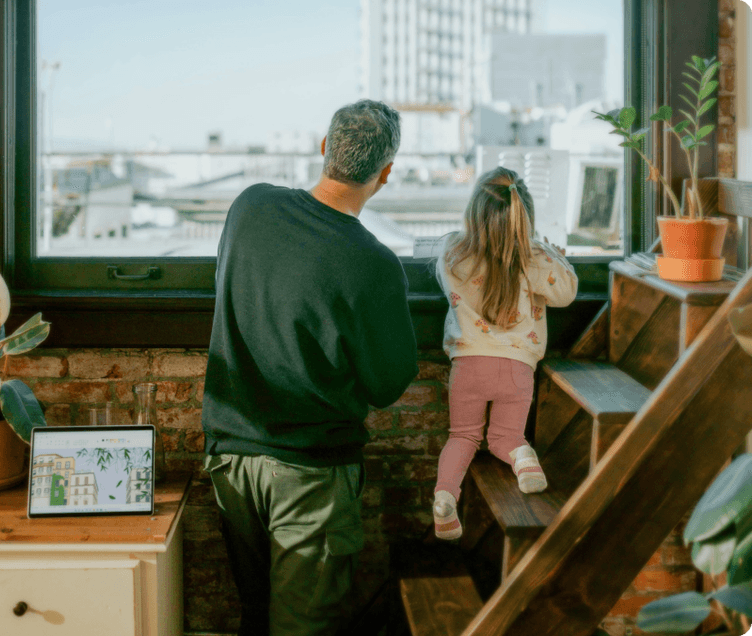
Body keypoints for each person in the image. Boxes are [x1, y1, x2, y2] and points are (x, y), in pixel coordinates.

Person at [201, 99, 419, 636]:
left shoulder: (249, 205)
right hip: (309, 475)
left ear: (325, 147)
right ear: (385, 173)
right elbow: (387, 384)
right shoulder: (373, 263)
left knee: (256, 616)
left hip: (231, 461)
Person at [432, 167, 577, 540]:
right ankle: (525, 461)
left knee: (462, 437)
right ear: (523, 214)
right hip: (517, 370)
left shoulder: (452, 251)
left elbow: (445, 278)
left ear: (474, 212)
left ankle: (445, 498)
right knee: (506, 437)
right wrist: (556, 258)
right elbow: (566, 294)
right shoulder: (536, 256)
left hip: (468, 366)